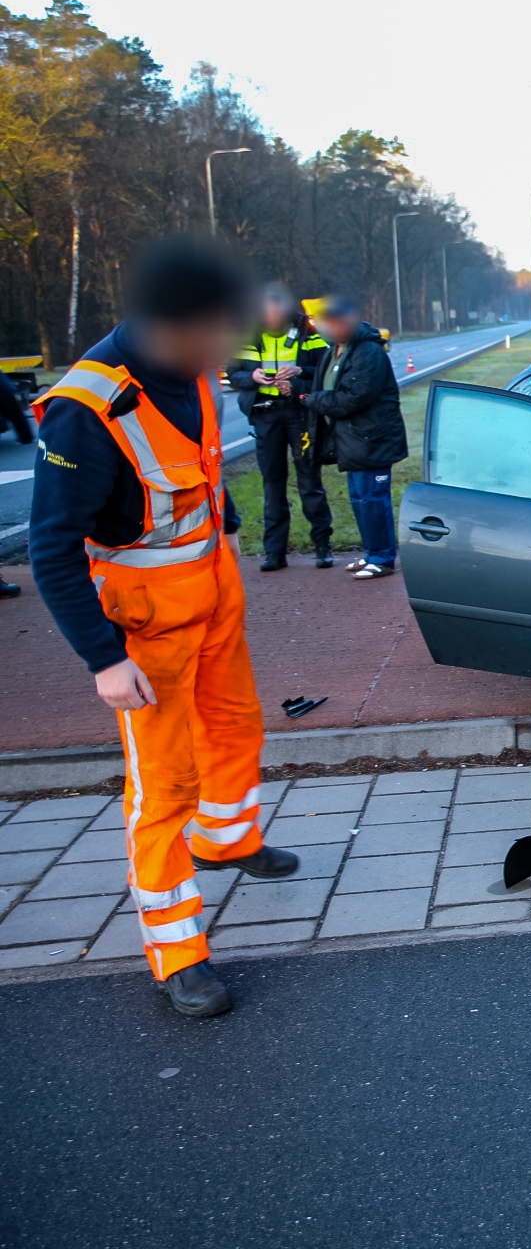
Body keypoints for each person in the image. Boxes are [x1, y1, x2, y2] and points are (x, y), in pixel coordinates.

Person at [29, 234, 302, 1019]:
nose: (228, 347)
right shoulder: (87, 409)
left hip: (214, 598)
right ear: (172, 323)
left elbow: (204, 472)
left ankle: (228, 841)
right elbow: (50, 549)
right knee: (163, 784)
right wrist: (102, 659)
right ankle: (177, 951)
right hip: (145, 629)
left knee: (237, 726)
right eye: (219, 331)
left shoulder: (193, 371)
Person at [228, 283, 332, 571]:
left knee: (310, 481)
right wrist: (254, 377)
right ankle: (274, 553)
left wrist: (298, 377)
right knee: (272, 483)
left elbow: (326, 371)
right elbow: (233, 373)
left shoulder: (308, 332)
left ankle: (322, 546)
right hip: (265, 415)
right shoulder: (247, 333)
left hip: (298, 413)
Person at [304, 296, 405, 579]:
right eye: (317, 323)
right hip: (352, 440)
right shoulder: (337, 349)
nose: (320, 328)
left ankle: (383, 558)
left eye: (324, 323)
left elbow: (354, 397)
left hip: (371, 438)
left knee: (373, 499)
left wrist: (314, 400)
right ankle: (372, 553)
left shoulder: (368, 351)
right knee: (360, 500)